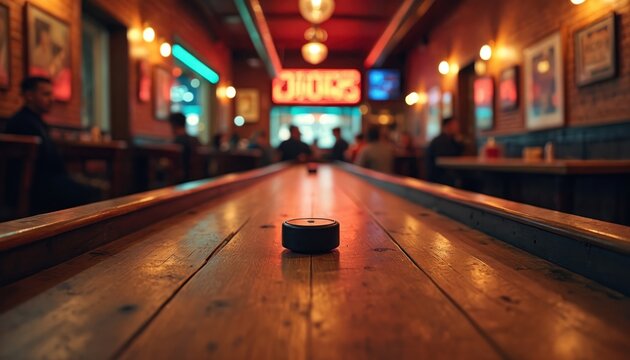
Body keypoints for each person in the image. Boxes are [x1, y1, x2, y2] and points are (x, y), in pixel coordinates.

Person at [4, 77, 101, 214]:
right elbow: (46, 162)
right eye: (46, 94)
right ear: (29, 96)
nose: (52, 99)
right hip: (31, 189)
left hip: (42, 183)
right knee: (91, 194)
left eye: (52, 94)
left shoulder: (35, 121)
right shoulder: (23, 122)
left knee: (90, 190)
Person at [426, 116, 464, 185]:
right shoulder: (440, 141)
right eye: (455, 125)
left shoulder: (452, 140)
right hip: (440, 178)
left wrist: (459, 142)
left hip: (446, 175)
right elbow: (445, 161)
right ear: (448, 126)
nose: (458, 128)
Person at [169, 112, 200, 182]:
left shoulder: (178, 142)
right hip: (197, 178)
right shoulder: (195, 140)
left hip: (181, 179)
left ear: (173, 125)